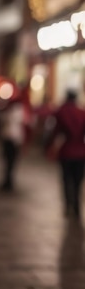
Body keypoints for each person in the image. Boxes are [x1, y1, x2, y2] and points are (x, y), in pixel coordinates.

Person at [45, 90, 85, 219]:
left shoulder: (61, 112)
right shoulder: (82, 112)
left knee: (66, 179)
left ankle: (68, 206)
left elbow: (55, 132)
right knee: (78, 181)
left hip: (67, 151)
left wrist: (50, 147)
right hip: (80, 152)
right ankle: (77, 207)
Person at [0, 95, 27, 191]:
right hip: (13, 139)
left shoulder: (9, 112)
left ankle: (8, 181)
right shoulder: (19, 112)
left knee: (9, 161)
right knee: (10, 161)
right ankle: (8, 181)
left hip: (10, 139)